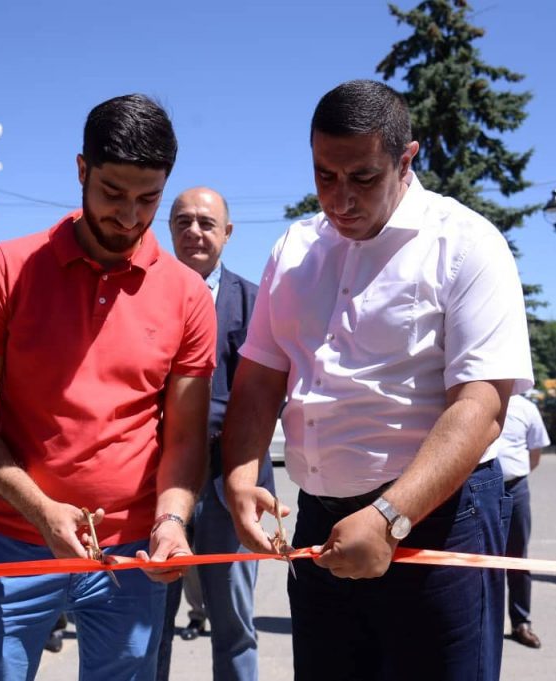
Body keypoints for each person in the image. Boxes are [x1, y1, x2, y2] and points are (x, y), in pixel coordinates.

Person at [220, 79, 533, 681]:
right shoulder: (294, 247)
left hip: (437, 519)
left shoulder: (467, 243)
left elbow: (480, 406)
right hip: (320, 522)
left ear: (406, 158)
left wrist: (390, 516)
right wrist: (240, 478)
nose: (340, 199)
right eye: (324, 175)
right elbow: (259, 378)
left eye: (362, 177)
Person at [0, 94, 217, 681]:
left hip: (132, 554)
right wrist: (41, 511)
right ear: (81, 170)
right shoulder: (7, 269)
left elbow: (185, 438)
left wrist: (171, 522)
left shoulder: (189, 296)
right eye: (113, 193)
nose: (130, 217)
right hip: (12, 541)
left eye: (149, 199)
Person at [157, 187, 274, 681]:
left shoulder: (256, 303)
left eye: (206, 223)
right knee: (149, 624)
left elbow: (267, 393)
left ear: (227, 233)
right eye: (182, 222)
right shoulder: (143, 298)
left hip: (233, 485)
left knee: (234, 625)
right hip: (160, 485)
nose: (194, 232)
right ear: (169, 230)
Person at [495, 393, 550, 649]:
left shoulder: (525, 408)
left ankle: (521, 622)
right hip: (478, 491)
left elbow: (534, 454)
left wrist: (514, 473)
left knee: (518, 557)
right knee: (478, 559)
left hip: (515, 488)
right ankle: (484, 624)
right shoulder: (478, 400)